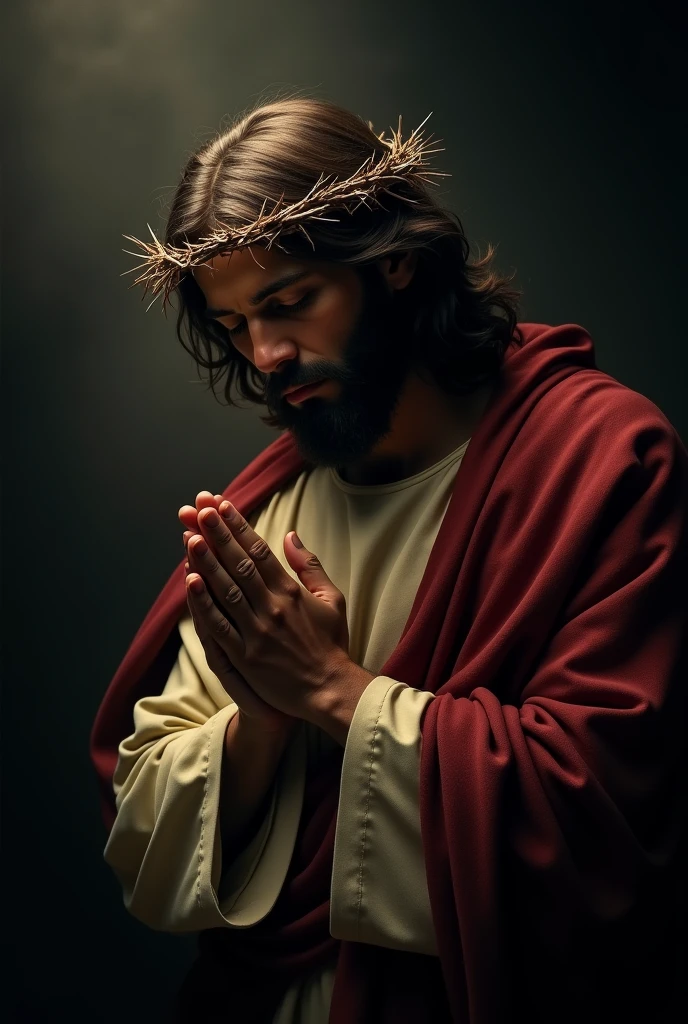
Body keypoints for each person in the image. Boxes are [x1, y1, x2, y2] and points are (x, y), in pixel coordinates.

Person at [90, 97, 687, 1024]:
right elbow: (144, 834)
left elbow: (605, 824)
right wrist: (259, 721)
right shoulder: (268, 509)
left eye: (290, 304)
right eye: (238, 323)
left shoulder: (597, 459)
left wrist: (329, 686)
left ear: (395, 261)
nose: (268, 354)